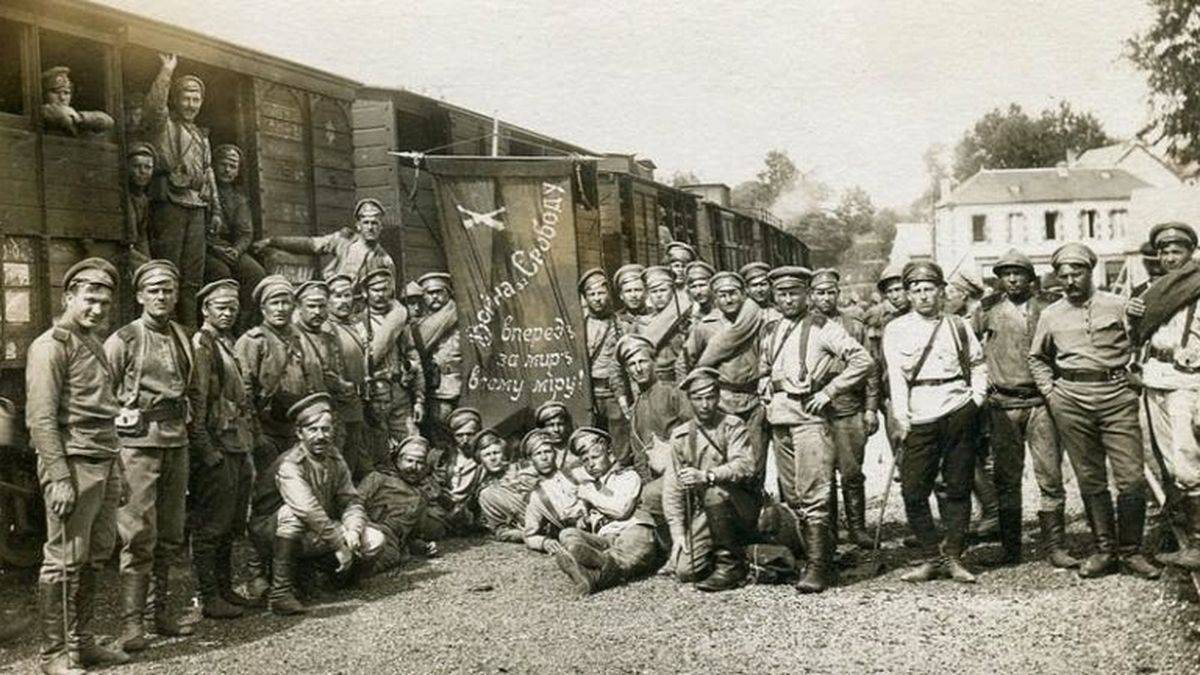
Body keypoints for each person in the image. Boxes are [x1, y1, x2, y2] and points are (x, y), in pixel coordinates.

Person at [1028, 243, 1160, 580]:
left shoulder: (1119, 306)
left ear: (1091, 271)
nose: (1070, 281)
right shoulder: (1051, 314)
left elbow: (1142, 342)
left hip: (1116, 396)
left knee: (1130, 477)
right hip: (1070, 399)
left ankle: (1131, 552)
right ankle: (1105, 551)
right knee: (1090, 477)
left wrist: (1136, 377)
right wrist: (1050, 392)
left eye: (1077, 273)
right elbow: (1037, 358)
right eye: (1064, 275)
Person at [27, 258, 131, 673]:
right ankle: (55, 654)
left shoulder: (91, 342)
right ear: (69, 297)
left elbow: (100, 410)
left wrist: (118, 468)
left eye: (105, 302)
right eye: (90, 299)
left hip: (103, 461)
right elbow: (40, 419)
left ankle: (81, 643)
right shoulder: (51, 345)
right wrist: (59, 478)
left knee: (95, 554)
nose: (97, 309)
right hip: (72, 463)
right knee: (64, 559)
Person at [760, 266, 872, 592]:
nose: (788, 299)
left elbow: (863, 360)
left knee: (815, 492)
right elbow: (765, 367)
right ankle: (806, 557)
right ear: (774, 296)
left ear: (806, 294)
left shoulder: (823, 327)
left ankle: (820, 567)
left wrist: (828, 392)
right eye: (781, 293)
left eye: (794, 293)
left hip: (808, 418)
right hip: (779, 419)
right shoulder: (770, 329)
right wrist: (763, 384)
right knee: (791, 493)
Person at [104, 260, 195, 649]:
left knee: (172, 534)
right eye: (154, 290)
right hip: (137, 446)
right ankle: (131, 624)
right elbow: (101, 395)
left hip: (177, 442)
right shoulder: (122, 340)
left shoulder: (182, 335)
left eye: (168, 290)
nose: (161, 296)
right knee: (138, 534)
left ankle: (162, 614)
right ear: (140, 296)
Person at [883, 261, 987, 584]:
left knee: (958, 487)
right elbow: (897, 380)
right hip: (920, 415)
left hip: (957, 409)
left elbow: (978, 363)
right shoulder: (896, 329)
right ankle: (930, 556)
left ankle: (954, 557)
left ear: (941, 291)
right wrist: (902, 417)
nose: (923, 296)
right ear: (909, 295)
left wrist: (976, 400)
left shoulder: (957, 325)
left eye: (929, 289)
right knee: (914, 490)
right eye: (916, 290)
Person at [972, 249, 1076, 568]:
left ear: (1030, 277)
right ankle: (1011, 548)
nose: (1013, 279)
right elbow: (971, 351)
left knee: (1050, 476)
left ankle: (1055, 547)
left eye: (1019, 273)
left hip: (1041, 402)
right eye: (1006, 274)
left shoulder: (1048, 307)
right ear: (999, 279)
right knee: (1006, 477)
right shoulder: (987, 310)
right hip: (1002, 403)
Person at [248, 393, 385, 615]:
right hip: (272, 533)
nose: (321, 436)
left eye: (326, 429)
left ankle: (333, 579)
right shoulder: (290, 464)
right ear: (299, 433)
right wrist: (339, 544)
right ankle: (281, 592)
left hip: (315, 530)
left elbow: (350, 500)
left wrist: (353, 530)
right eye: (312, 430)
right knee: (291, 514)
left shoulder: (335, 458)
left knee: (374, 539)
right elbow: (307, 509)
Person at [1128, 223, 1200, 571]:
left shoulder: (1198, 286)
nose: (1171, 258)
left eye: (1178, 251)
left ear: (1190, 254)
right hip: (1156, 377)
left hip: (1188, 380)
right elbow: (1137, 334)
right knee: (1166, 459)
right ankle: (1180, 529)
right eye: (1165, 252)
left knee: (1188, 458)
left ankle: (1197, 542)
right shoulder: (1149, 293)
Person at [186, 279, 259, 620]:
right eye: (221, 307)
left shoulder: (225, 342)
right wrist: (205, 449)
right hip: (217, 445)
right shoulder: (202, 345)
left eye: (232, 307)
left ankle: (226, 589)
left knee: (230, 523)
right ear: (205, 309)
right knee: (211, 525)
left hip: (236, 443)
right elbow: (197, 401)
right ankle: (208, 595)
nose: (228, 313)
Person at [662, 367, 761, 592]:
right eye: (698, 399)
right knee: (685, 571)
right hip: (708, 512)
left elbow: (745, 466)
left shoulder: (732, 425)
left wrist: (707, 476)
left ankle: (731, 567)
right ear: (690, 401)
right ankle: (748, 553)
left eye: (710, 397)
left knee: (713, 491)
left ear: (718, 397)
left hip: (739, 505)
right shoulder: (681, 436)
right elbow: (673, 489)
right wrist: (677, 534)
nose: (705, 404)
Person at [142, 53, 221, 330]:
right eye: (185, 98)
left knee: (193, 277)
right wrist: (166, 72)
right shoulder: (164, 124)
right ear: (175, 99)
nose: (190, 104)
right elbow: (153, 108)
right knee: (168, 272)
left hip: (197, 207)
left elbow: (209, 173)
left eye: (196, 99)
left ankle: (189, 330)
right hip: (170, 204)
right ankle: (166, 327)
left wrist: (216, 212)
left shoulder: (201, 135)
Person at [808, 268, 880, 551]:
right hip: (815, 411)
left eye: (830, 292)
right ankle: (829, 530)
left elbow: (871, 371)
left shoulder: (854, 326)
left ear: (838, 294)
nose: (825, 298)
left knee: (851, 472)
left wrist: (871, 409)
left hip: (849, 408)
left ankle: (857, 527)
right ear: (812, 295)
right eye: (820, 293)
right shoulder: (805, 327)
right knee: (822, 474)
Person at [552, 428, 659, 597]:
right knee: (568, 534)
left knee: (635, 542)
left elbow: (621, 510)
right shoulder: (588, 486)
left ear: (608, 452)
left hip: (631, 529)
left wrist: (589, 494)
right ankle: (594, 566)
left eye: (595, 457)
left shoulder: (627, 476)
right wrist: (581, 519)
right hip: (605, 539)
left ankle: (592, 574)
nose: (591, 464)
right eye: (585, 461)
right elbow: (573, 514)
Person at [235, 275, 326, 472]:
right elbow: (244, 392)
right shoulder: (253, 341)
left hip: (295, 427)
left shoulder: (298, 338)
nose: (280, 308)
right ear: (263, 308)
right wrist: (257, 435)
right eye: (274, 303)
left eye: (286, 303)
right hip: (266, 429)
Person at [681, 272, 766, 470]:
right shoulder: (705, 326)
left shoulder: (756, 321)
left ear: (743, 294)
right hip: (721, 401)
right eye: (722, 295)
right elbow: (686, 362)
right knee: (724, 458)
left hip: (754, 399)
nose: (728, 299)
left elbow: (768, 354)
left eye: (733, 293)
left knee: (756, 458)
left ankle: (756, 500)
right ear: (715, 298)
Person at [251, 198, 396, 283]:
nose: (370, 228)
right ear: (358, 225)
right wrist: (272, 241)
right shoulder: (343, 241)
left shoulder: (384, 261)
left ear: (381, 227)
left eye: (375, 223)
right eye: (366, 223)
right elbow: (310, 245)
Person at [362, 269, 425, 462]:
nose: (380, 294)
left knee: (412, 444)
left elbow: (413, 358)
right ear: (365, 292)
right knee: (378, 451)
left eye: (385, 289)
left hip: (400, 392)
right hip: (375, 394)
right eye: (375, 290)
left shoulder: (400, 321)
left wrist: (419, 399)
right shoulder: (358, 322)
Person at [357, 436, 440, 574]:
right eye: (409, 460)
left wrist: (423, 547)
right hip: (362, 528)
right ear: (398, 460)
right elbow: (353, 503)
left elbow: (409, 537)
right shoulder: (378, 478)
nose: (414, 467)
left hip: (389, 545)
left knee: (389, 557)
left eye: (420, 463)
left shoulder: (420, 498)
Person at [206, 144, 265, 331]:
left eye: (233, 166)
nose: (227, 170)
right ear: (213, 165)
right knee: (220, 272)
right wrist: (213, 248)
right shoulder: (203, 190)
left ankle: (243, 327)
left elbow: (245, 232)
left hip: (229, 248)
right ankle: (217, 325)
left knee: (255, 273)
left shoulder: (238, 198)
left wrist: (237, 250)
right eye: (223, 164)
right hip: (207, 248)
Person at [324, 274, 370, 479]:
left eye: (347, 295)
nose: (343, 301)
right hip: (337, 404)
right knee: (336, 458)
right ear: (327, 300)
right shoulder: (327, 328)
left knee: (352, 458)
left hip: (356, 403)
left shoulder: (354, 325)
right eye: (337, 296)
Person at [479, 430, 560, 542]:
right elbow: (500, 530)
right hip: (533, 533)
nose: (493, 458)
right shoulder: (487, 494)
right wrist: (527, 534)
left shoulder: (526, 469)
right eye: (487, 455)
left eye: (496, 453)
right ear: (481, 459)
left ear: (504, 453)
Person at [579, 268, 628, 452]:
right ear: (585, 298)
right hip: (589, 391)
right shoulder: (580, 326)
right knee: (591, 436)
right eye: (592, 294)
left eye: (601, 293)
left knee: (619, 434)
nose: (597, 298)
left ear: (608, 294)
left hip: (613, 391)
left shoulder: (620, 324)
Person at [414, 272, 461, 445]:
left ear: (448, 293)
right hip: (434, 389)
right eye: (429, 293)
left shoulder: (461, 317)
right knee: (438, 432)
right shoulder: (418, 324)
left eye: (439, 292)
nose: (434, 297)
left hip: (461, 385)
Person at [643, 266, 688, 383]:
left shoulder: (683, 316)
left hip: (678, 378)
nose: (658, 295)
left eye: (663, 290)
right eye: (654, 291)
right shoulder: (642, 321)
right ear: (648, 294)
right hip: (651, 380)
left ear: (672, 291)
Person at [40, 66, 114, 136]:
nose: (62, 98)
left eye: (66, 93)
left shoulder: (73, 115)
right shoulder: (41, 112)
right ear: (44, 94)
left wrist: (78, 117)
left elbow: (108, 121)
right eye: (56, 92)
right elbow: (61, 116)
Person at [125, 143, 155, 270]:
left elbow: (142, 238)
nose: (142, 171)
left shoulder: (143, 199)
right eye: (137, 166)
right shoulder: (123, 197)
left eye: (147, 167)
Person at [533, 400, 579, 471]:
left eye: (560, 424)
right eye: (551, 425)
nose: (556, 429)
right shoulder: (537, 454)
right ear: (542, 429)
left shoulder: (576, 451)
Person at [614, 263, 651, 335]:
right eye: (628, 291)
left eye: (638, 290)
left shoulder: (656, 316)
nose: (633, 295)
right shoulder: (615, 321)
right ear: (621, 295)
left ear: (646, 292)